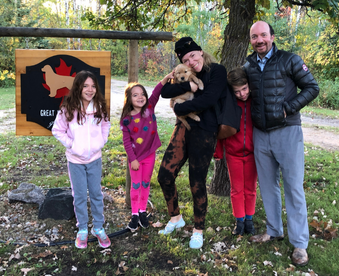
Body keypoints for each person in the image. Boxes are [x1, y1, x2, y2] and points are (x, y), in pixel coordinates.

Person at [244, 21, 319, 266]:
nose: (259, 40)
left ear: (272, 37)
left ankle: (299, 244)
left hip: (288, 131)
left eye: (263, 35)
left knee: (293, 187)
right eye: (254, 37)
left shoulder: (290, 60)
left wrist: (290, 107)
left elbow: (312, 87)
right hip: (261, 133)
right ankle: (274, 230)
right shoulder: (248, 64)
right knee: (267, 186)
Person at [157, 37, 231, 249]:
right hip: (184, 127)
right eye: (185, 59)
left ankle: (198, 230)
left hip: (206, 130)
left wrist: (180, 109)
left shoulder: (216, 70)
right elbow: (165, 92)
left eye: (192, 55)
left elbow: (208, 99)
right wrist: (187, 84)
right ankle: (175, 218)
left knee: (196, 181)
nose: (190, 61)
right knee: (165, 175)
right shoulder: (184, 73)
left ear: (200, 51)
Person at [52, 70, 111, 249]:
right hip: (75, 161)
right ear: (78, 86)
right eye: (85, 86)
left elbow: (106, 124)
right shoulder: (68, 108)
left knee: (96, 194)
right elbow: (57, 130)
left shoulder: (100, 107)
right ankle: (83, 229)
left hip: (94, 159)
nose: (90, 89)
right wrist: (72, 145)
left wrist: (102, 141)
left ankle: (98, 228)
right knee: (79, 196)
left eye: (93, 86)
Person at [120, 73, 173, 231]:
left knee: (145, 183)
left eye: (142, 94)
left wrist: (166, 79)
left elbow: (156, 91)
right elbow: (126, 142)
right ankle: (134, 214)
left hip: (149, 155)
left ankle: (143, 211)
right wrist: (132, 159)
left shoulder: (149, 108)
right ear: (129, 99)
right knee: (135, 185)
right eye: (135, 95)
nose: (140, 97)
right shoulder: (126, 119)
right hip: (135, 158)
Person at [214, 68, 257, 236]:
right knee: (236, 189)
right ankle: (239, 221)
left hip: (254, 153)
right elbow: (221, 130)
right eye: (237, 91)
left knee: (251, 188)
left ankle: (249, 220)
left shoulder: (256, 102)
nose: (242, 94)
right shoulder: (229, 105)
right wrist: (218, 151)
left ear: (249, 85)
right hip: (233, 153)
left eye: (244, 89)